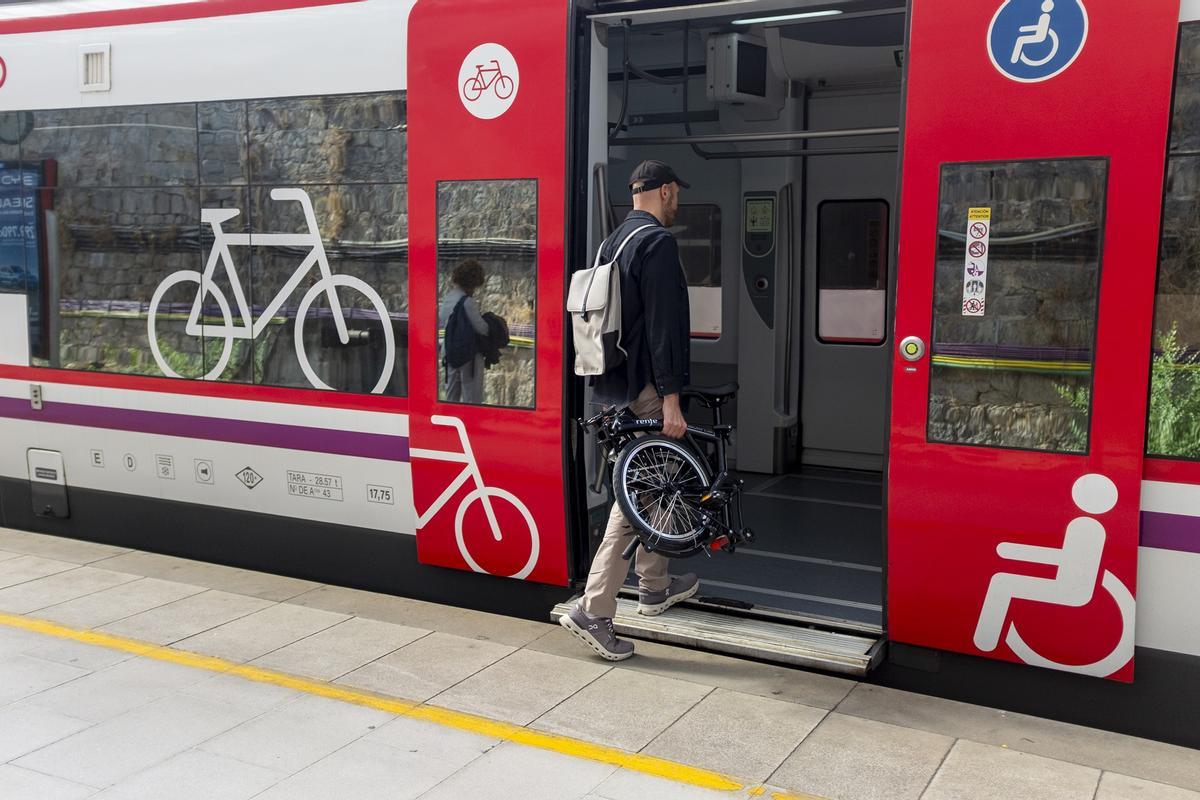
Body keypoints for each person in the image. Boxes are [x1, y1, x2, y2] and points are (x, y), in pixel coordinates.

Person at [559, 160, 699, 661]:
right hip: (644, 387)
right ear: (666, 190)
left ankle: (654, 584)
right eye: (677, 192)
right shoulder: (657, 242)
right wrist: (671, 399)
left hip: (611, 385)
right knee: (638, 493)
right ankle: (594, 609)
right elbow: (664, 328)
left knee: (654, 482)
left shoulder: (612, 242)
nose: (677, 200)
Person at [438, 259, 490, 403]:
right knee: (471, 398)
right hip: (469, 357)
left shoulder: (448, 298)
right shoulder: (467, 302)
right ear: (472, 283)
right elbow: (482, 329)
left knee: (451, 396)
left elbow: (442, 318)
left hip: (450, 353)